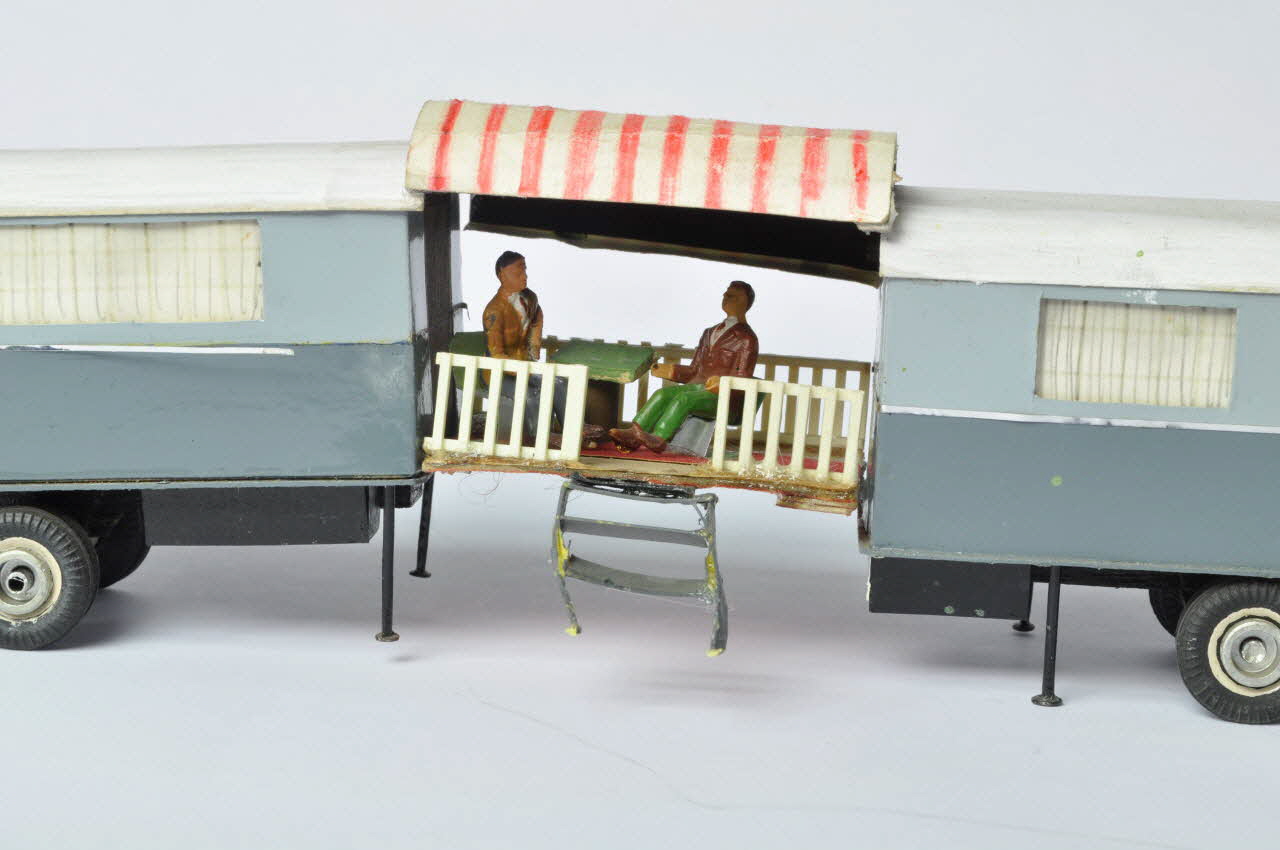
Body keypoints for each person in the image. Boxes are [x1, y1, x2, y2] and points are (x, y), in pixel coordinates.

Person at [611, 281, 759, 453]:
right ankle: (634, 433)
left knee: (684, 399)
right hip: (696, 387)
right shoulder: (709, 332)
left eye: (732, 296)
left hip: (722, 397)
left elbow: (743, 378)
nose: (725, 297)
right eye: (725, 293)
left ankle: (659, 437)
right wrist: (670, 370)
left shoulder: (747, 338)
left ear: (744, 302)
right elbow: (694, 370)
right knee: (662, 394)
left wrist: (722, 383)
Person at [483, 251, 567, 440]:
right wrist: (522, 371)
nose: (524, 276)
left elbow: (537, 314)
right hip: (501, 373)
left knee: (558, 383)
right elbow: (496, 354)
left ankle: (572, 430)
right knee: (532, 393)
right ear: (502, 275)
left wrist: (534, 341)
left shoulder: (530, 297)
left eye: (525, 271)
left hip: (525, 365)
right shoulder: (493, 311)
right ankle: (541, 437)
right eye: (518, 273)